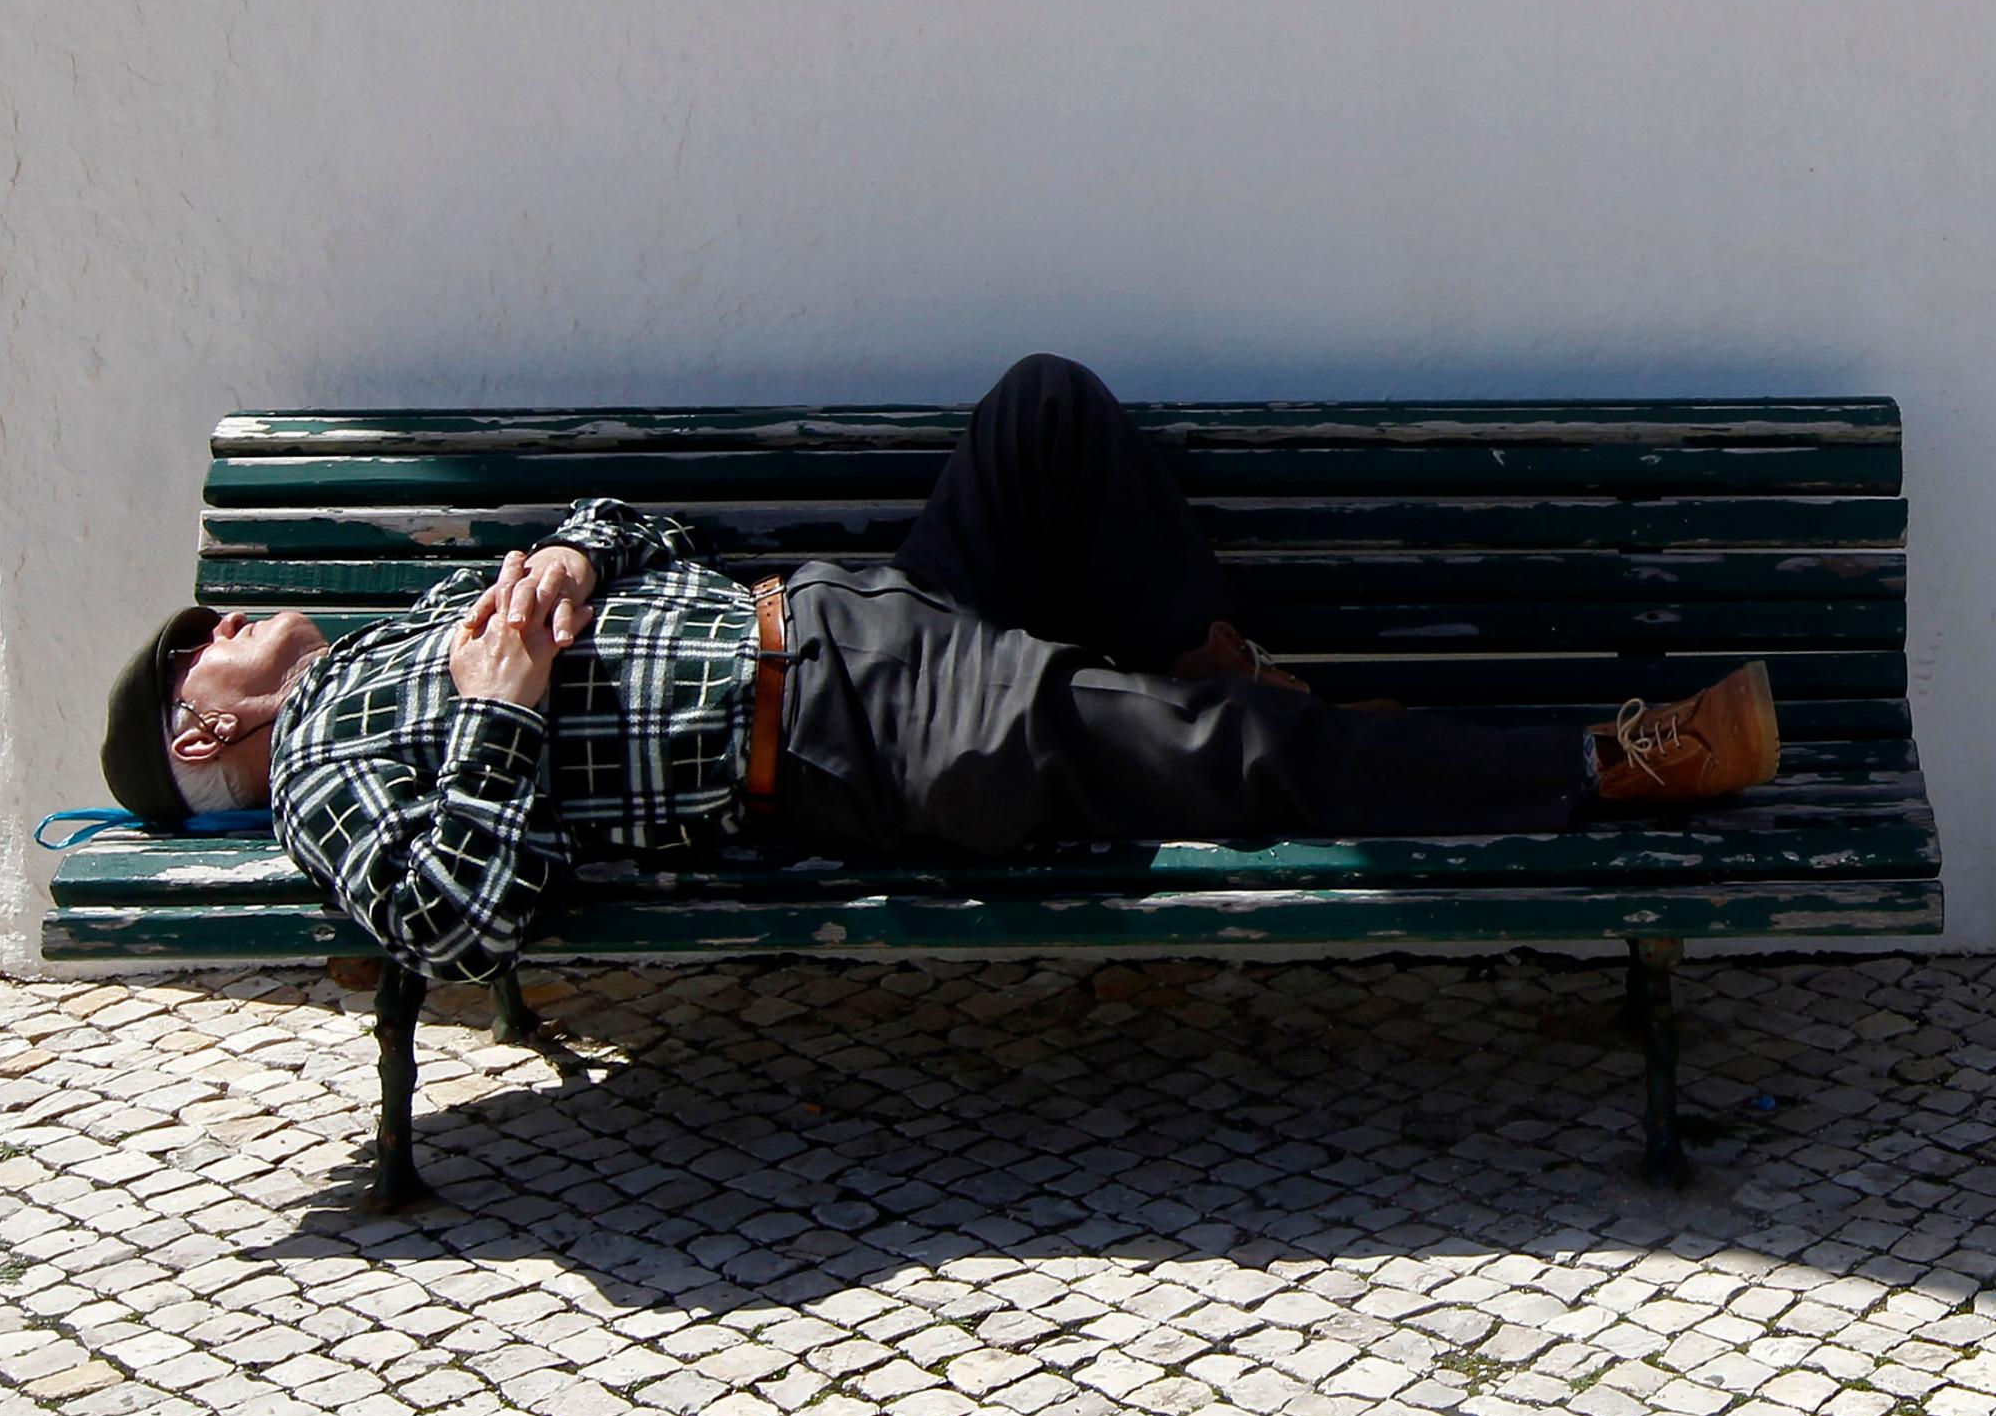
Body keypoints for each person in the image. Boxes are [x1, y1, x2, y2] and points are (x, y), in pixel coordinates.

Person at [98, 354, 1778, 982]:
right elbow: (449, 921)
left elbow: (641, 522)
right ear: (203, 719)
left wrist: (581, 552)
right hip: (845, 736)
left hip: (847, 617)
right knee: (1217, 754)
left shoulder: (413, 626)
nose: (230, 617)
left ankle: (1240, 677)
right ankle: (1610, 759)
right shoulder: (328, 772)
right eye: (209, 636)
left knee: (1043, 411)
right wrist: (501, 714)